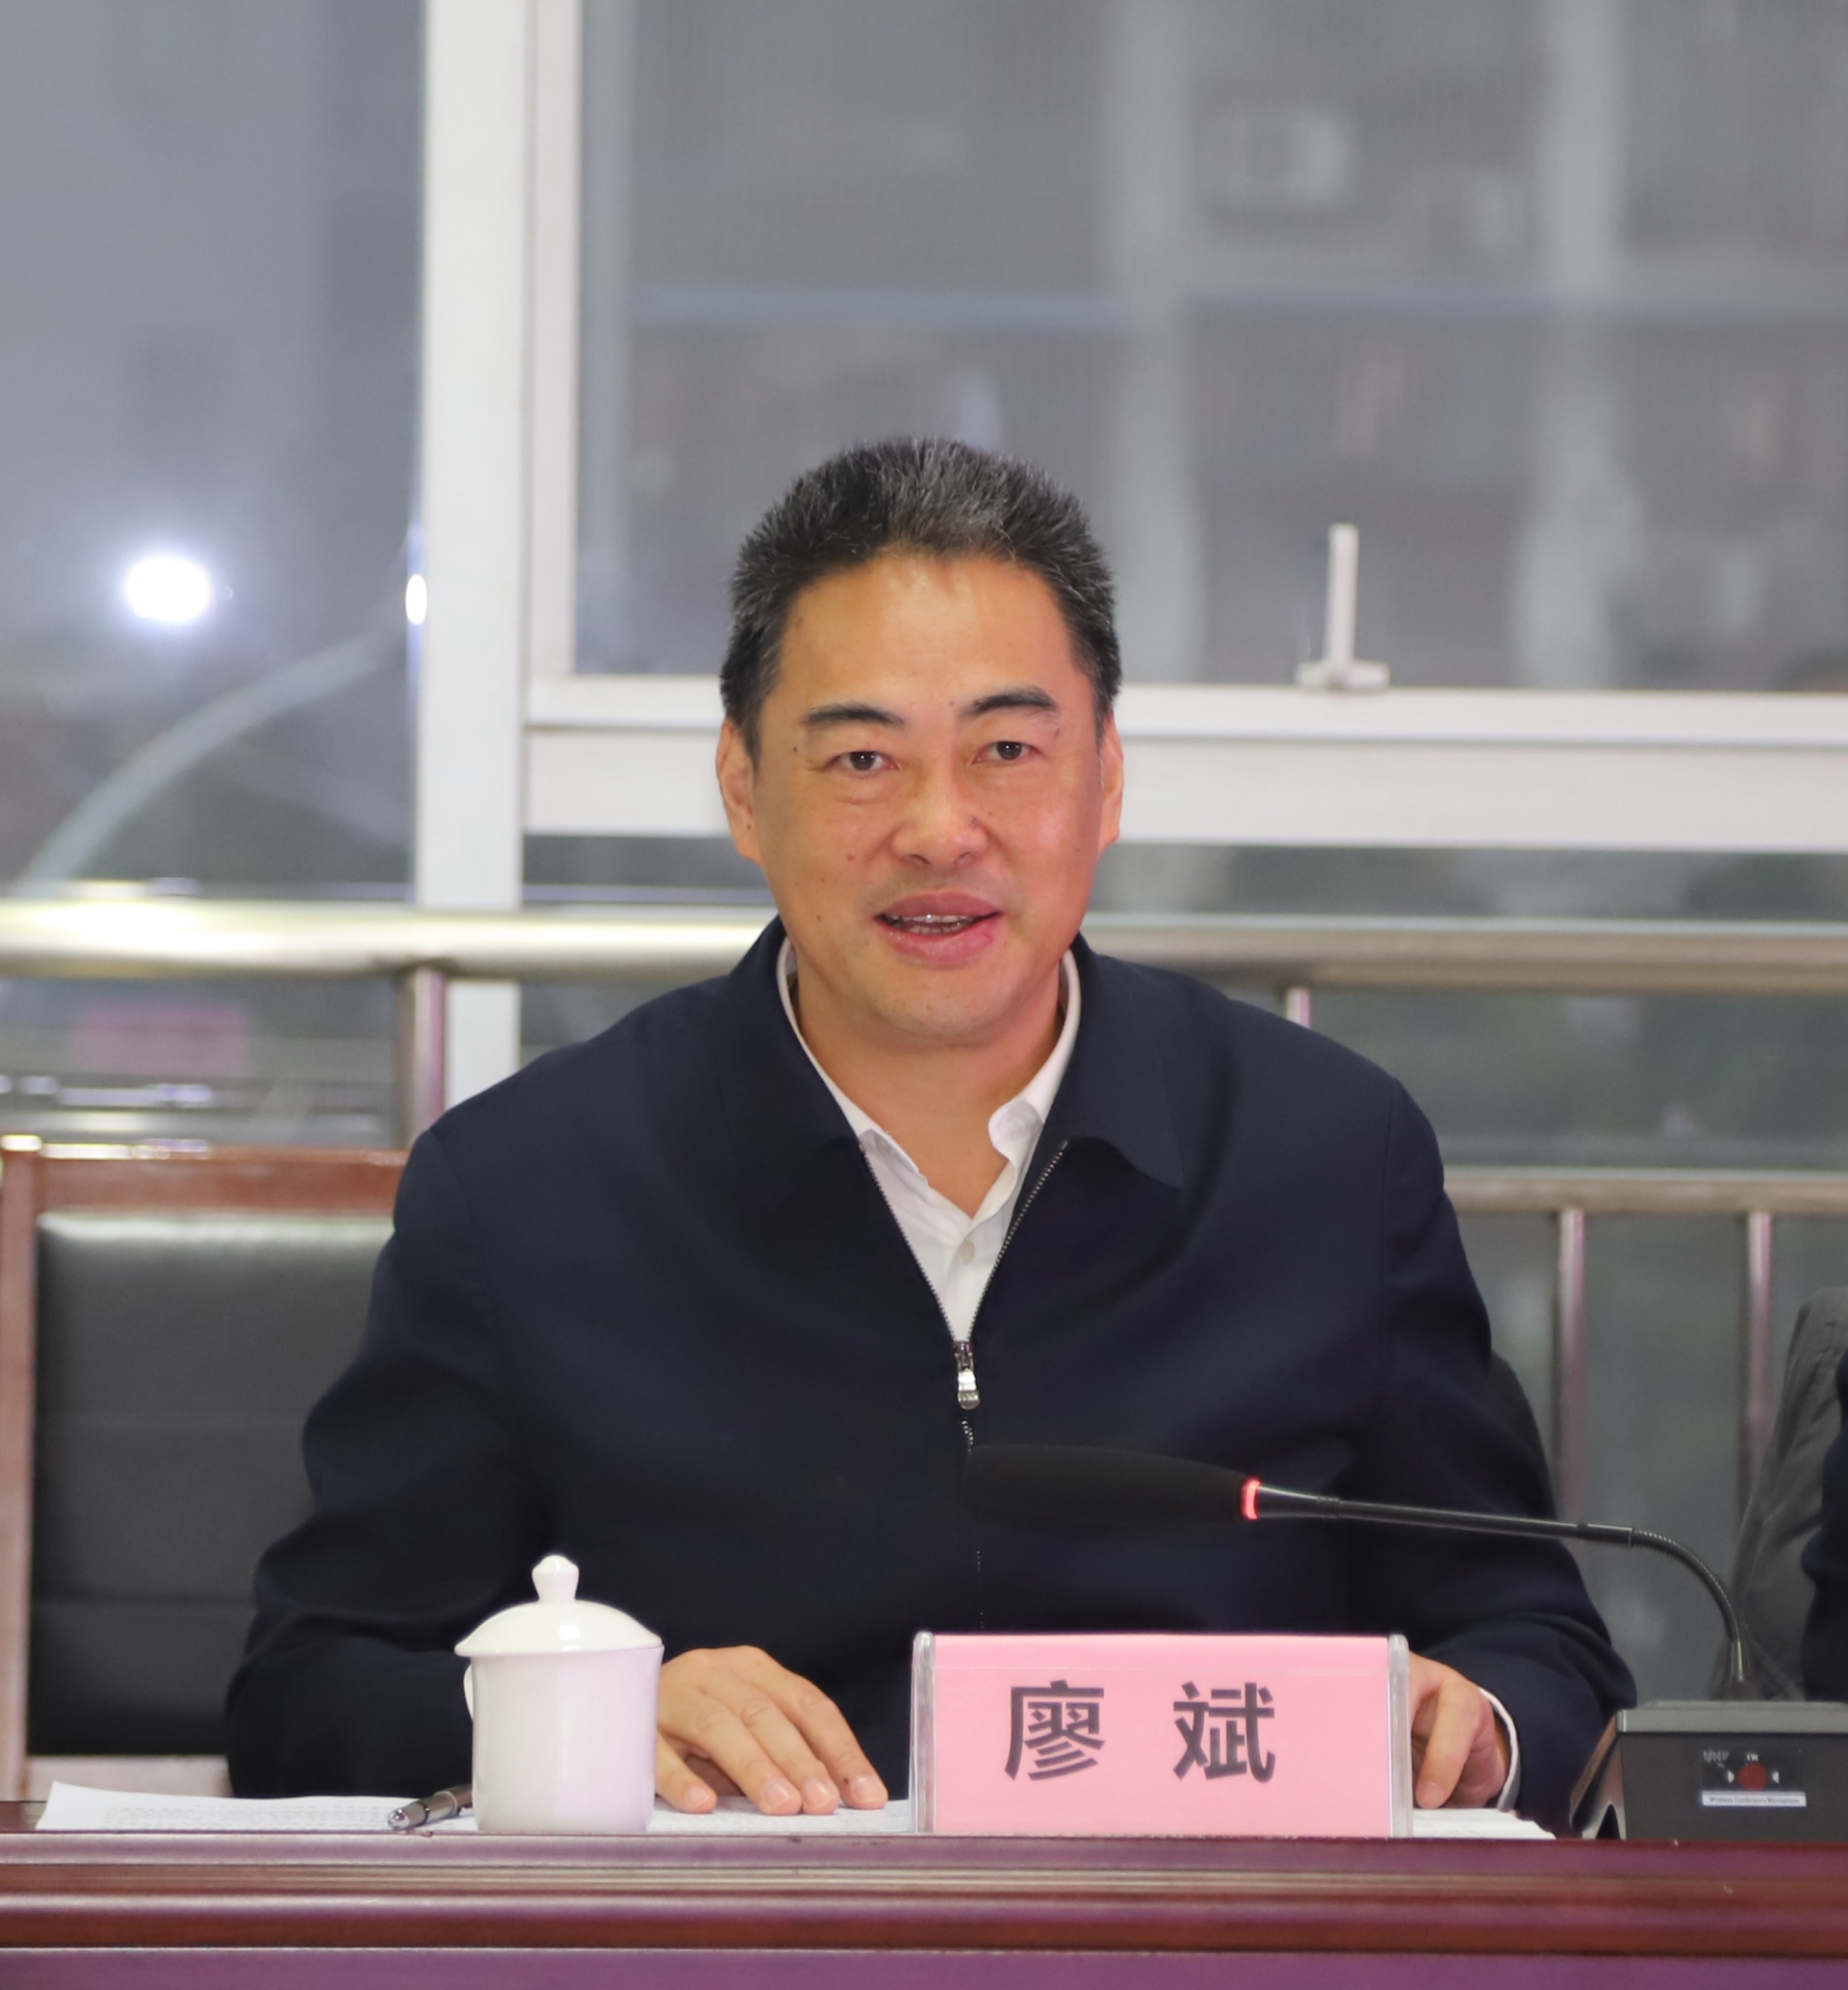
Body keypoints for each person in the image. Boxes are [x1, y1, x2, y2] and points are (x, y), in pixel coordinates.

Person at [228, 439, 1631, 1820]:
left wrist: (1477, 1727)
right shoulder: (526, 1188)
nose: (940, 829)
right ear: (742, 789)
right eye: (861, 759)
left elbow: (1540, 1645)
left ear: (1106, 781)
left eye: (1008, 750)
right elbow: (306, 1693)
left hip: (1204, 1927)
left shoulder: (1323, 1154)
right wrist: (578, 1711)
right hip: (740, 1934)